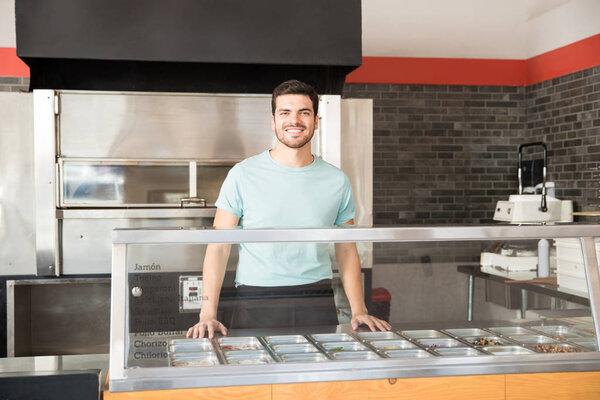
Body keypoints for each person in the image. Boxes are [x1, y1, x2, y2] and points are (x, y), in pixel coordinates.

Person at [187, 80, 390, 339]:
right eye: (285, 112)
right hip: (256, 296)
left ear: (316, 121)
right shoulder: (242, 174)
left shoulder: (337, 180)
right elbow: (218, 246)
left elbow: (346, 248)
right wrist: (207, 314)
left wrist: (359, 310)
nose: (294, 120)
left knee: (319, 376)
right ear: (273, 121)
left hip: (317, 296)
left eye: (304, 112)